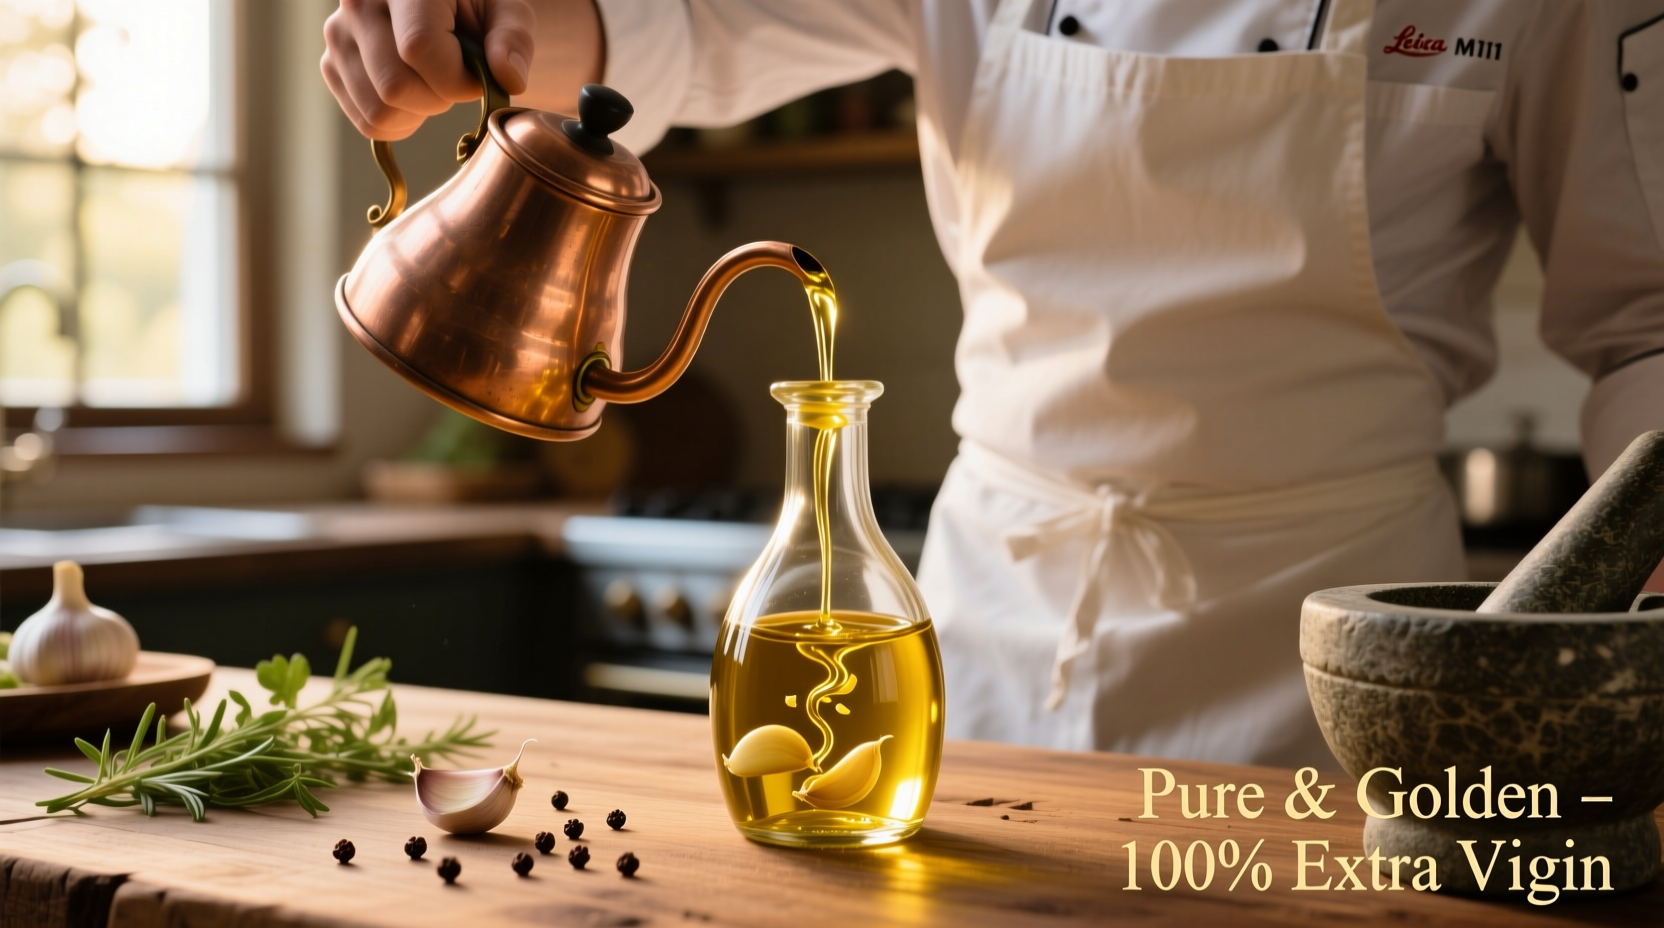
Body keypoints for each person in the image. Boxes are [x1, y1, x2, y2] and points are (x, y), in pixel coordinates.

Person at [323, 0, 1664, 768]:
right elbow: (678, 25)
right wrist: (489, 27)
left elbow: (1647, 320)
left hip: (1332, 663)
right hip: (986, 637)